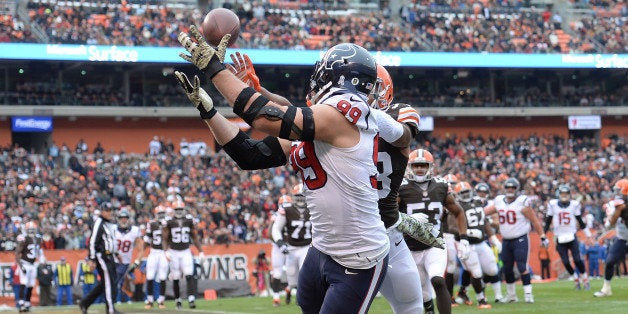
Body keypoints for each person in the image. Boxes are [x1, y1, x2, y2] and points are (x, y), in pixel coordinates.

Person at [175, 31, 411, 312]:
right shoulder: (325, 119)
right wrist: (209, 111)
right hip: (322, 249)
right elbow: (251, 155)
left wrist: (214, 68)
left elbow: (263, 116)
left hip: (359, 257)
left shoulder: (340, 115)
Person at [371, 65, 444, 314]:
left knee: (412, 303)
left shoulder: (398, 112)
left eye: (368, 87)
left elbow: (401, 137)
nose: (361, 93)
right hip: (344, 229)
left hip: (387, 226)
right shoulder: (332, 117)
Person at [397, 149, 470, 314]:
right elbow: (389, 213)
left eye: (423, 165)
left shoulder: (441, 186)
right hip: (410, 247)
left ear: (430, 166)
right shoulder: (401, 188)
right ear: (410, 167)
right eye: (416, 165)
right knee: (422, 290)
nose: (420, 169)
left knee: (438, 280)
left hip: (435, 244)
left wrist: (464, 239)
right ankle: (429, 310)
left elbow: (458, 212)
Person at [484, 178, 547, 303]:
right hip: (506, 240)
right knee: (507, 268)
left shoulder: (521, 202)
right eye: (508, 187)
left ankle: (528, 294)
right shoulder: (499, 201)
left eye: (512, 188)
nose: (510, 190)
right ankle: (512, 296)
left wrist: (542, 236)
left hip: (521, 238)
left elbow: (534, 220)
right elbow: (484, 212)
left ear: (517, 189)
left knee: (522, 266)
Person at [452, 181, 503, 308]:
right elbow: (452, 228)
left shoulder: (477, 202)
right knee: (476, 272)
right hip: (465, 244)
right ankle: (481, 300)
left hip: (481, 243)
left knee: (492, 270)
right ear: (457, 194)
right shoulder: (455, 206)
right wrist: (467, 232)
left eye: (466, 192)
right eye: (462, 193)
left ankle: (464, 291)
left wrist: (493, 237)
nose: (465, 195)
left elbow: (484, 222)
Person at [271, 183, 312, 306]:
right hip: (291, 248)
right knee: (292, 277)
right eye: (298, 195)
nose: (300, 198)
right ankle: (289, 289)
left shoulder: (313, 208)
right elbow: (275, 229)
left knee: (305, 273)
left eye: (302, 195)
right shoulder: (287, 209)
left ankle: (303, 298)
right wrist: (280, 243)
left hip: (306, 246)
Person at [544, 184, 591, 290]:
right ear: (559, 194)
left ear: (569, 195)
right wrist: (543, 235)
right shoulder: (553, 205)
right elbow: (548, 221)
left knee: (577, 260)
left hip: (571, 236)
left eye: (566, 193)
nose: (564, 195)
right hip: (559, 237)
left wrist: (588, 234)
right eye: (562, 193)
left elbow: (580, 221)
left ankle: (585, 279)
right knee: (565, 262)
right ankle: (576, 279)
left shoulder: (574, 205)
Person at [79, 202, 121, 314]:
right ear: (102, 211)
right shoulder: (99, 222)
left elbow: (110, 241)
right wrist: (92, 259)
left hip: (110, 256)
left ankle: (85, 302)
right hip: (102, 256)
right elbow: (92, 241)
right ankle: (110, 309)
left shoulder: (108, 223)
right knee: (108, 283)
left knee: (107, 283)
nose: (109, 213)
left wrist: (116, 253)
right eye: (107, 211)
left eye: (110, 210)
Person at [162, 198, 204, 309]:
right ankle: (178, 301)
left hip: (185, 251)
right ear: (173, 210)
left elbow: (194, 237)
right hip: (174, 251)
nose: (179, 211)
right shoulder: (169, 222)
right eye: (177, 209)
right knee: (176, 277)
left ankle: (191, 299)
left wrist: (201, 251)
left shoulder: (189, 221)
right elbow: (165, 238)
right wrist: (166, 251)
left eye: (181, 209)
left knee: (189, 274)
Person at [594, 178, 628, 297]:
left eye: (619, 190)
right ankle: (606, 289)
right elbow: (611, 222)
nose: (617, 193)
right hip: (622, 238)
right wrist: (610, 216)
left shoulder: (621, 205)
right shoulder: (616, 204)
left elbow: (613, 221)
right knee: (609, 262)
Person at [15, 220, 46, 312]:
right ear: (26, 230)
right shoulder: (24, 239)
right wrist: (21, 265)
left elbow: (39, 251)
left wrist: (42, 259)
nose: (32, 232)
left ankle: (27, 303)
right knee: (23, 283)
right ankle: (21, 304)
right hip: (25, 263)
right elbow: (17, 253)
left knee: (31, 284)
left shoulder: (38, 238)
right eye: (30, 230)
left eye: (33, 230)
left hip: (33, 265)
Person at [114, 209, 143, 304]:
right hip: (113, 261)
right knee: (114, 282)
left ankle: (125, 300)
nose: (123, 220)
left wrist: (137, 261)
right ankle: (115, 300)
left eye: (125, 218)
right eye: (121, 218)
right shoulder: (112, 229)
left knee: (125, 282)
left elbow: (140, 249)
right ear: (118, 219)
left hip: (125, 262)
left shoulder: (135, 231)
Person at [143, 205, 170, 309]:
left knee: (163, 277)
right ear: (156, 215)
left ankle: (161, 301)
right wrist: (141, 252)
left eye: (163, 214)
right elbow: (147, 239)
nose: (162, 216)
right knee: (150, 276)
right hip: (153, 252)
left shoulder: (168, 224)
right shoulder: (151, 224)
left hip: (163, 252)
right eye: (160, 214)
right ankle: (150, 300)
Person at [268, 194, 292, 306]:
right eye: (284, 205)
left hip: (292, 245)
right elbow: (270, 232)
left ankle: (289, 289)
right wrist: (280, 243)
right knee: (277, 272)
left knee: (295, 272)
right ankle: (276, 297)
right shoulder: (276, 215)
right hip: (278, 246)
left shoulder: (295, 213)